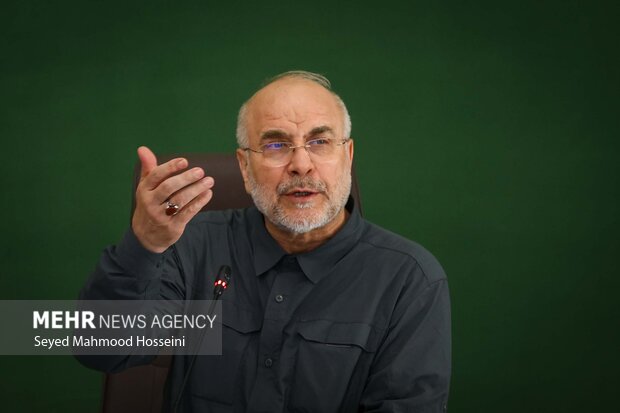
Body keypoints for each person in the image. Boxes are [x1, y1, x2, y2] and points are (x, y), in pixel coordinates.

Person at [79, 71, 451, 412]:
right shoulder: (192, 245)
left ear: (348, 156)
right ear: (244, 166)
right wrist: (144, 244)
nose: (301, 164)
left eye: (320, 141)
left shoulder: (409, 279)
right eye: (276, 145)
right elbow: (100, 349)